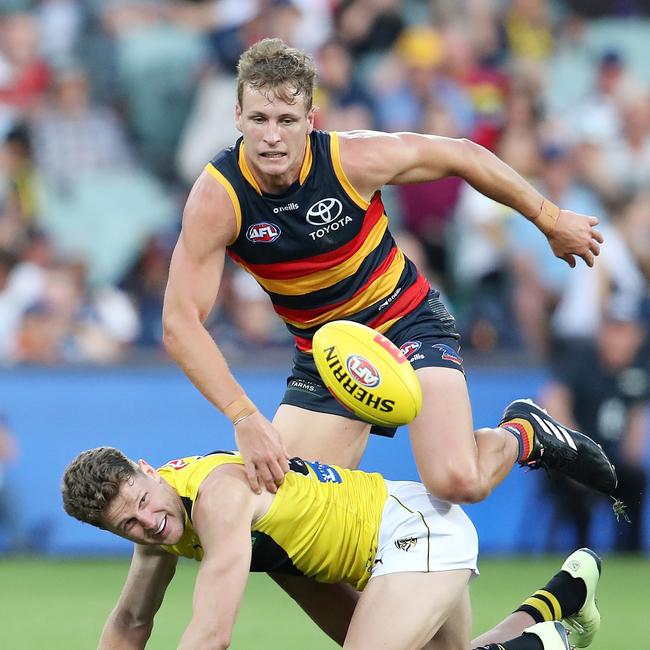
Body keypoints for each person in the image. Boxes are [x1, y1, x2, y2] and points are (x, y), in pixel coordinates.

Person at [161, 37, 616, 502]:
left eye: (286, 120)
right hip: (328, 354)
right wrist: (245, 417)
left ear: (310, 121)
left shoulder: (351, 159)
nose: (271, 136)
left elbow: (464, 154)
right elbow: (179, 322)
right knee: (281, 513)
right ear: (237, 116)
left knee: (458, 482)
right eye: (258, 119)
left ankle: (525, 433)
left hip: (406, 322)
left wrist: (550, 218)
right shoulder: (219, 197)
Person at [62, 446, 602, 650]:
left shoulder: (216, 498)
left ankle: (546, 643)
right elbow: (130, 623)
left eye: (142, 502)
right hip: (384, 556)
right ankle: (557, 606)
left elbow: (211, 633)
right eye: (128, 526)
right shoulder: (161, 522)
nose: (148, 524)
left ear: (149, 471)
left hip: (413, 531)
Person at [542, 302, 648, 552]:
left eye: (624, 331)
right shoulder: (582, 360)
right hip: (571, 457)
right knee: (578, 484)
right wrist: (578, 452)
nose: (616, 338)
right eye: (611, 329)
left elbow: (636, 418)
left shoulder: (640, 370)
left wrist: (629, 456)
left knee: (635, 478)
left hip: (611, 459)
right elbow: (552, 400)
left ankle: (629, 551)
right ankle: (581, 551)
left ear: (637, 336)